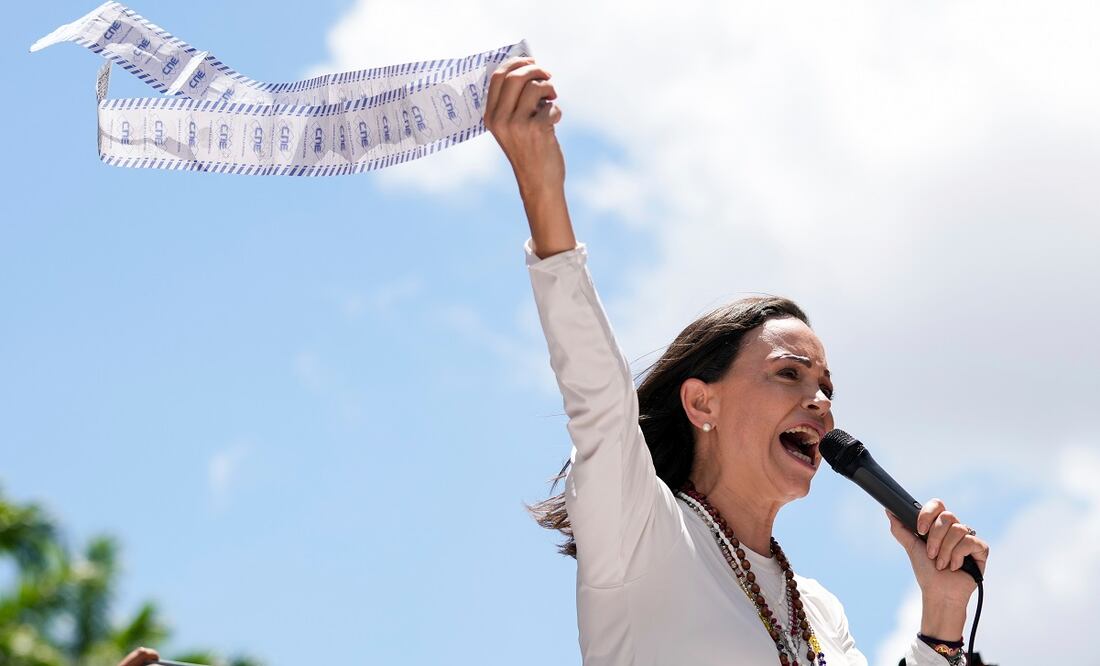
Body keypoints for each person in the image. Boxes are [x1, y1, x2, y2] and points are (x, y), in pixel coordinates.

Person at [483, 56, 990, 666]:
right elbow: (597, 395)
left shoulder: (819, 610)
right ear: (702, 401)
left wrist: (942, 616)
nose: (821, 401)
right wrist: (541, 185)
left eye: (827, 385)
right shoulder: (641, 534)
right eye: (788, 373)